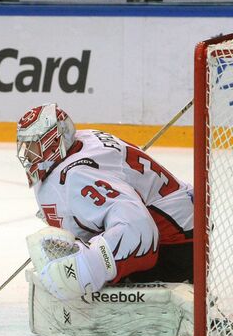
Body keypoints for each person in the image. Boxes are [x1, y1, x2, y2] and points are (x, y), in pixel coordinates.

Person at [16, 103, 194, 298]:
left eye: (34, 145)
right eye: (26, 145)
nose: (28, 154)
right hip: (187, 221)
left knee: (82, 278)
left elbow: (138, 228)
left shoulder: (77, 175)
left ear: (55, 141)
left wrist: (88, 267)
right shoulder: (87, 137)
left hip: (175, 245)